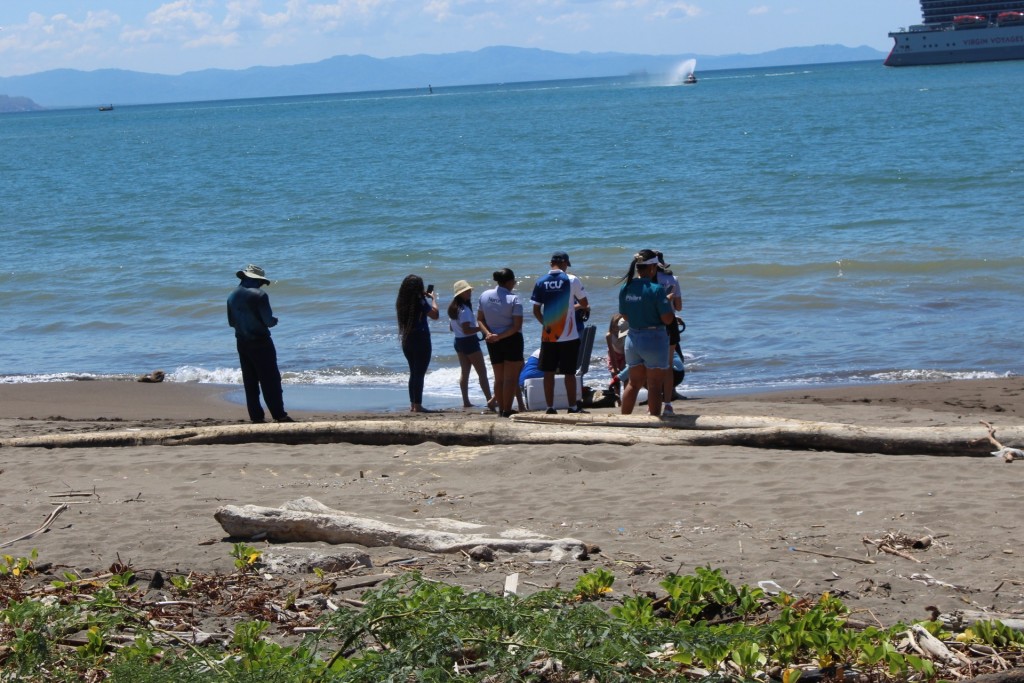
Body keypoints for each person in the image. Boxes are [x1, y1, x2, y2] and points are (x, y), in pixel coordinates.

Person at [226, 264, 293, 424]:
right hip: (261, 342)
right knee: (270, 380)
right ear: (255, 280)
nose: (261, 285)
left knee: (250, 382)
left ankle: (256, 417)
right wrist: (274, 321)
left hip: (242, 342)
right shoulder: (260, 296)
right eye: (260, 282)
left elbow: (231, 322)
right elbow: (268, 321)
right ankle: (279, 415)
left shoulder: (231, 296)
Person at [530, 251, 590, 414]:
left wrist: (546, 324)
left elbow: (536, 310)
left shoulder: (541, 281)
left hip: (549, 335)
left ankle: (550, 407)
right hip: (569, 335)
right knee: (569, 373)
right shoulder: (571, 279)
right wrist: (574, 306)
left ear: (551, 264)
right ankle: (572, 407)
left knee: (548, 372)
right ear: (564, 264)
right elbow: (584, 303)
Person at [618, 249, 675, 416]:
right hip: (654, 339)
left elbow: (625, 315)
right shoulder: (656, 289)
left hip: (632, 338)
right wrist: (667, 303)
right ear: (652, 268)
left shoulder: (626, 287)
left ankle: (624, 420)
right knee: (654, 385)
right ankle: (654, 421)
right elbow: (667, 319)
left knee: (633, 383)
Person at [477, 268, 524, 418]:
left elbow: (480, 319)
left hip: (492, 340)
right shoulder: (514, 299)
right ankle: (507, 410)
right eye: (514, 281)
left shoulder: (485, 295)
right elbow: (516, 326)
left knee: (499, 378)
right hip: (511, 339)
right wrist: (500, 336)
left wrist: (488, 334)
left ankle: (501, 409)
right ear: (509, 282)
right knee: (510, 378)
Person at [448, 279, 494, 410]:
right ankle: (490, 400)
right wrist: (481, 328)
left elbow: (452, 328)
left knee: (465, 372)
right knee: (482, 373)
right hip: (469, 342)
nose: (469, 292)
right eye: (466, 291)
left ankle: (466, 401)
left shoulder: (453, 309)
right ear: (459, 294)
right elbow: (467, 330)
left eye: (469, 290)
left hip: (458, 341)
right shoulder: (464, 310)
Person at [396, 274, 439, 413]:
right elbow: (435, 315)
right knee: (419, 373)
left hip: (407, 339)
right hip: (421, 339)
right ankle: (418, 405)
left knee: (413, 373)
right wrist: (433, 299)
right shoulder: (420, 301)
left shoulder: (402, 301)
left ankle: (413, 404)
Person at [655, 252, 684, 416]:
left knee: (651, 364)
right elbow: (678, 307)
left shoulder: (643, 281)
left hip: (649, 324)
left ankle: (653, 400)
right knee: (670, 363)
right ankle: (668, 401)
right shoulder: (672, 279)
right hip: (669, 323)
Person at [606, 313, 629, 402]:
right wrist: (615, 367)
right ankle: (617, 399)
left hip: (624, 355)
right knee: (614, 373)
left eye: (618, 327)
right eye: (614, 327)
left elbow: (626, 351)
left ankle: (626, 398)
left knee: (626, 376)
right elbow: (611, 352)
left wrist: (625, 364)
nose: (616, 329)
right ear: (611, 326)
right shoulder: (609, 335)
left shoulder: (625, 334)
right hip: (613, 355)